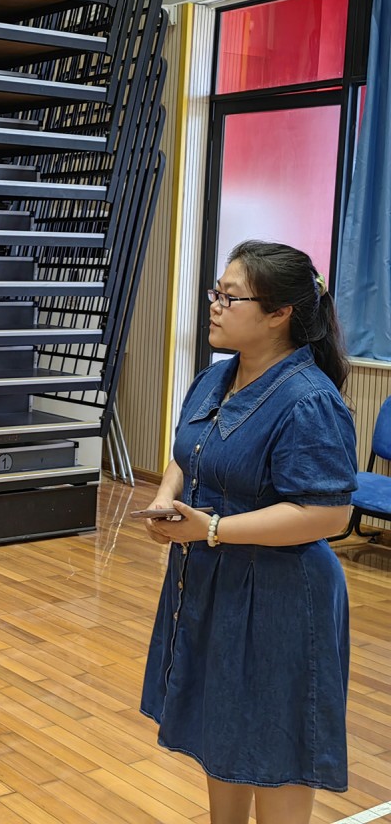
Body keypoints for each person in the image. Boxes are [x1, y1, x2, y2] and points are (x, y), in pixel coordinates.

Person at [139, 240, 358, 824]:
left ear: (279, 313)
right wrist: (165, 497)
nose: (213, 305)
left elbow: (328, 514)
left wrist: (212, 527)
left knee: (275, 747)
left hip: (282, 595)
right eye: (216, 292)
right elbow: (190, 452)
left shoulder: (308, 401)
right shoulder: (217, 377)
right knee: (222, 734)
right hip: (215, 580)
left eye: (229, 297)